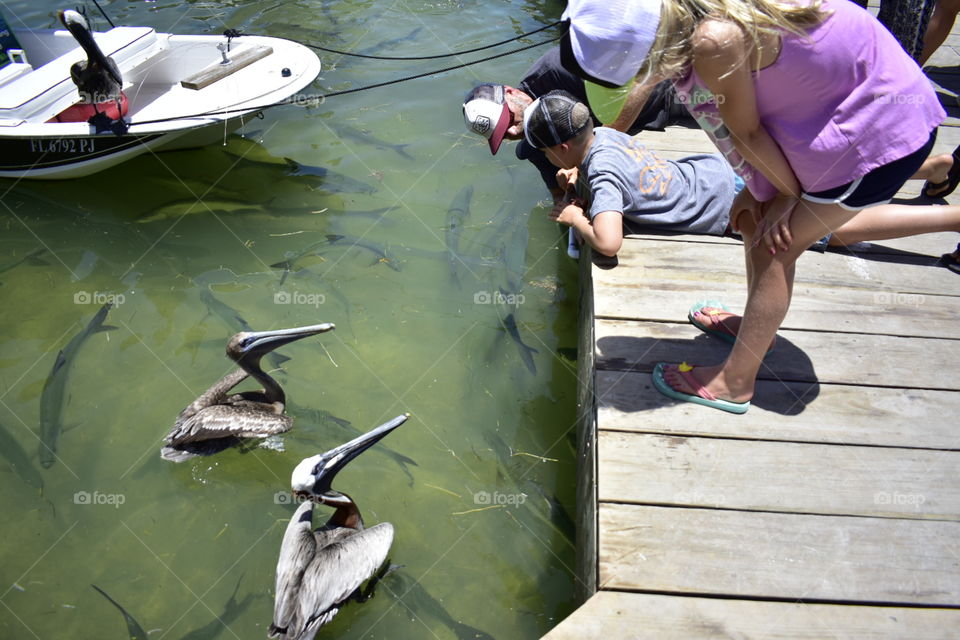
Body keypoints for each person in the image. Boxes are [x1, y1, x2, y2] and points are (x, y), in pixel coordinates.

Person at [560, 0, 948, 414]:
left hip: (876, 129)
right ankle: (753, 330)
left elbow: (745, 131)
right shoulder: (700, 13)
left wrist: (784, 194)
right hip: (831, 108)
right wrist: (760, 190)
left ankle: (736, 381)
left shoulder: (711, 42)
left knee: (774, 246)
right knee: (752, 219)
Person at [526, 90, 960, 260]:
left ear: (562, 147)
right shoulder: (604, 136)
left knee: (835, 225)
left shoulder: (601, 175)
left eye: (545, 148)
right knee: (826, 179)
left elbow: (608, 242)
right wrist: (578, 180)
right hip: (716, 173)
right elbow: (612, 173)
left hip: (731, 206)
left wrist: (575, 218)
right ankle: (935, 165)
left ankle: (951, 218)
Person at [461, 46, 690, 202]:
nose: (513, 130)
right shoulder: (534, 146)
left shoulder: (561, 69)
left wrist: (582, 162)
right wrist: (567, 201)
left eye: (509, 118)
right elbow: (558, 196)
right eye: (504, 134)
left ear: (511, 92)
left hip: (671, 94)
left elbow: (644, 80)